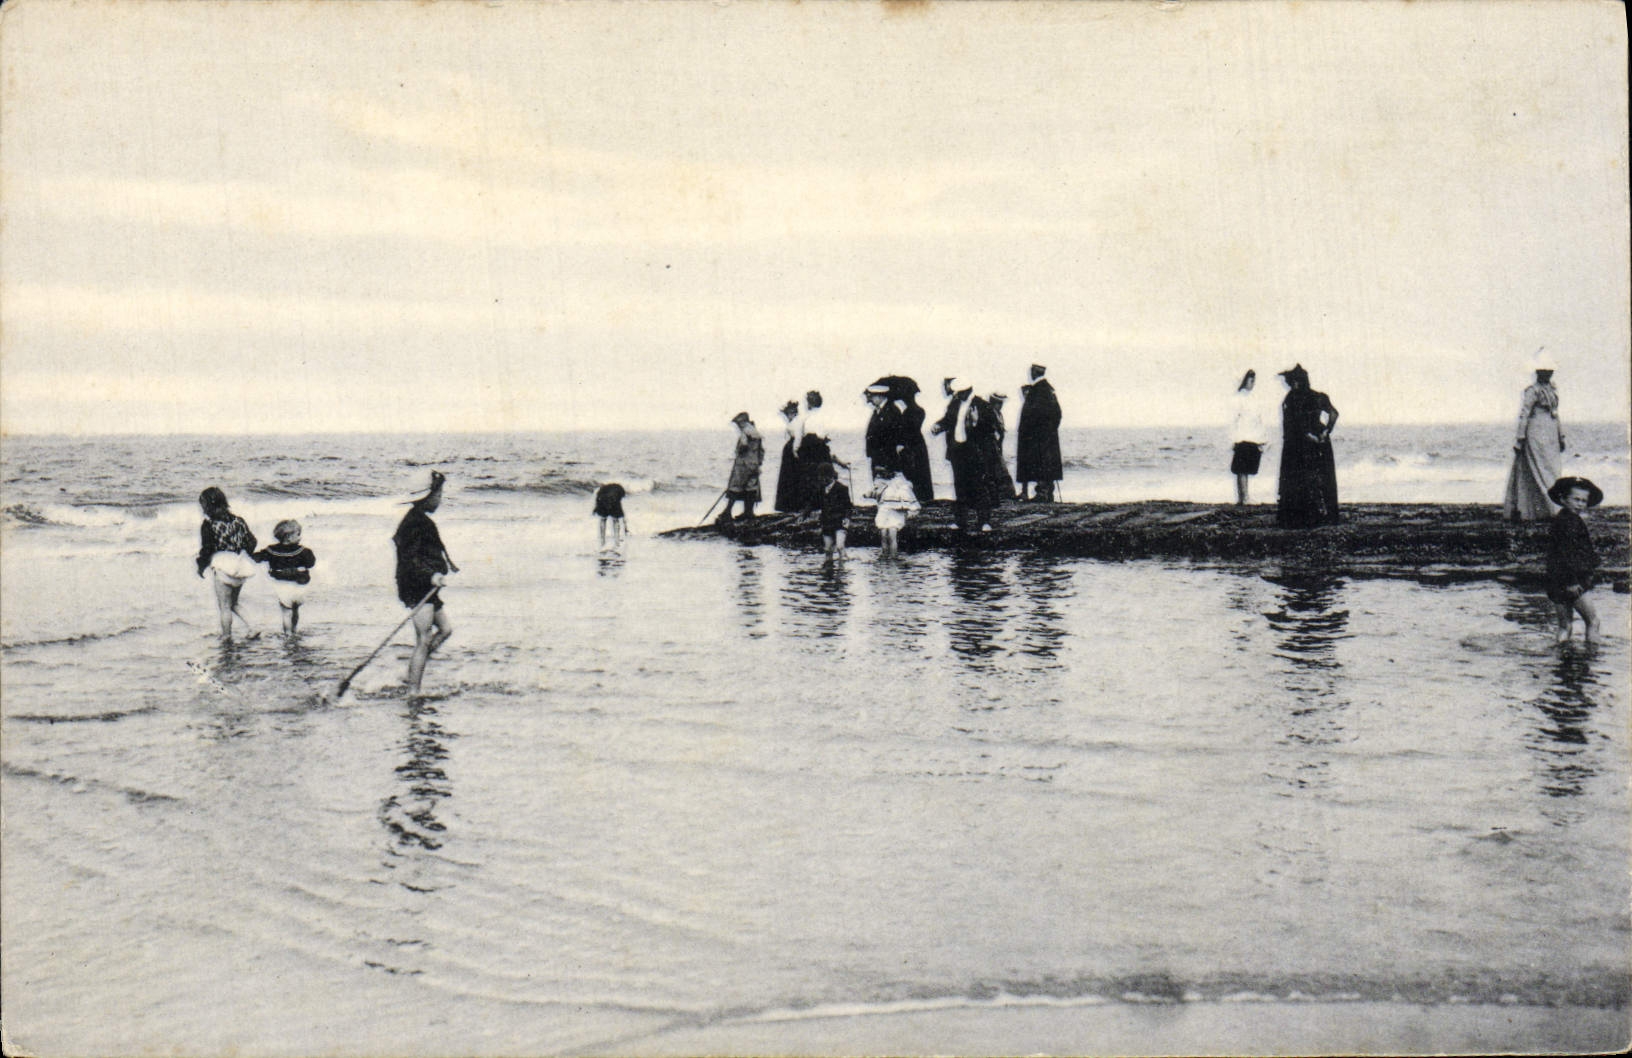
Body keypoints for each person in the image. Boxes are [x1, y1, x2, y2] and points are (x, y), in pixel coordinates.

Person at [393, 471, 458, 695]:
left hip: (426, 584)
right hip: (416, 585)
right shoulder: (414, 523)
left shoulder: (420, 519)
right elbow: (410, 560)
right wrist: (431, 575)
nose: (440, 499)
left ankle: (411, 673)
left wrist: (433, 575)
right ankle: (413, 691)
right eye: (439, 494)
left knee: (446, 630)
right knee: (423, 638)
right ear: (428, 496)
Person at [1275, 364, 1340, 528]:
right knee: (1323, 477)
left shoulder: (1291, 398)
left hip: (1299, 444)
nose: (1291, 385)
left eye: (1292, 382)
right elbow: (1334, 414)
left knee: (1299, 478)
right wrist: (1326, 431)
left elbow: (1293, 425)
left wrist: (1309, 436)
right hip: (1320, 440)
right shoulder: (1319, 396)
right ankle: (1326, 514)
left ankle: (1302, 517)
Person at [932, 377, 1000, 532]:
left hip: (975, 452)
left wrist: (977, 422)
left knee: (979, 486)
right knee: (960, 486)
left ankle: (984, 521)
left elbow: (990, 428)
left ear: (967, 391)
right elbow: (948, 420)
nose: (958, 395)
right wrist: (939, 426)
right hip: (958, 451)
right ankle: (961, 521)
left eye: (960, 392)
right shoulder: (955, 404)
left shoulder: (982, 405)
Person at [1503, 352, 1566, 522]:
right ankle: (1548, 507)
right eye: (1543, 371)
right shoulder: (1532, 391)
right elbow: (1524, 414)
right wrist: (1520, 437)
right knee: (1539, 468)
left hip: (1551, 432)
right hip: (1535, 433)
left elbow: (1556, 415)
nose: (1547, 374)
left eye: (1549, 371)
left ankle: (1550, 506)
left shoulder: (1552, 391)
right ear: (1538, 373)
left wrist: (1561, 437)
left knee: (1552, 468)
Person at [1545, 475, 1602, 645]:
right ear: (1563, 499)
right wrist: (1571, 581)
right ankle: (1591, 657)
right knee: (1593, 621)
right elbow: (1565, 554)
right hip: (1571, 582)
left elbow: (1556, 556)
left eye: (1584, 501)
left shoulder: (1560, 520)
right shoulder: (1570, 523)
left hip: (1556, 581)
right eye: (1576, 499)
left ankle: (1562, 659)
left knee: (1565, 625)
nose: (1580, 504)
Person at [195, 486, 259, 638]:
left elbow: (207, 549)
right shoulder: (239, 521)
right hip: (240, 566)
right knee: (234, 603)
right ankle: (253, 627)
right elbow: (252, 541)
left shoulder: (209, 524)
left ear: (208, 506)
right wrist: (242, 553)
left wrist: (201, 566)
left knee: (224, 606)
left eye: (202, 505)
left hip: (223, 565)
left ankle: (226, 636)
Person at [253, 519, 316, 634]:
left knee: (286, 612)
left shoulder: (272, 550)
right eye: (298, 534)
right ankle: (294, 630)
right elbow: (311, 563)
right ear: (288, 536)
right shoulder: (304, 551)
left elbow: (257, 558)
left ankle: (288, 634)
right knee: (295, 609)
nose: (300, 537)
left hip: (283, 586)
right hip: (300, 587)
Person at [1016, 364, 1063, 502]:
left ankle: (1043, 493)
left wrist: (1035, 432)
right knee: (1047, 463)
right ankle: (1047, 493)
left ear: (1033, 373)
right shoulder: (1048, 389)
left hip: (1037, 436)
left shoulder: (1038, 390)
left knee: (1040, 463)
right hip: (1048, 435)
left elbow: (1034, 414)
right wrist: (1051, 429)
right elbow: (1058, 413)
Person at [887, 376, 935, 504]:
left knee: (914, 471)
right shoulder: (916, 410)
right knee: (920, 471)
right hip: (917, 443)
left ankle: (920, 497)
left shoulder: (911, 411)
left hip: (911, 444)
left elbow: (909, 430)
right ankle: (924, 497)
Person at [1230, 369, 1270, 505]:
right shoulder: (1239, 397)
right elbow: (1234, 419)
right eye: (1251, 380)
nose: (1253, 383)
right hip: (1242, 436)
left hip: (1251, 436)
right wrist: (1234, 438)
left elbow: (1258, 419)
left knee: (1246, 468)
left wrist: (1262, 438)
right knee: (1242, 469)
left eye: (1254, 381)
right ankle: (1244, 497)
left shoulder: (1252, 398)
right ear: (1245, 380)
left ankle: (1244, 497)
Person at [720, 412, 764, 522]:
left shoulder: (745, 431)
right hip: (754, 465)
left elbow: (743, 444)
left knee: (735, 487)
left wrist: (739, 452)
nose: (738, 426)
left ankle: (727, 512)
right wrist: (758, 462)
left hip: (743, 464)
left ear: (743, 422)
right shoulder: (756, 432)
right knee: (751, 487)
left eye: (738, 424)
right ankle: (748, 513)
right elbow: (761, 451)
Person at [868, 466, 920, 558]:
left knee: (892, 534)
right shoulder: (879, 482)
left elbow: (906, 494)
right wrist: (870, 494)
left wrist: (910, 508)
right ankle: (885, 557)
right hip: (884, 509)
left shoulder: (899, 482)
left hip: (895, 511)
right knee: (884, 534)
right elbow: (874, 493)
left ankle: (893, 557)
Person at [796, 390, 833, 511]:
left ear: (810, 403)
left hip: (810, 447)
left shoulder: (807, 417)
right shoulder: (822, 415)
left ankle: (812, 504)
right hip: (819, 446)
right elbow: (825, 434)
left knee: (810, 475)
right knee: (822, 474)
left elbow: (803, 434)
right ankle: (821, 502)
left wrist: (798, 449)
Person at [984, 391, 1017, 503]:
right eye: (998, 403)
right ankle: (1002, 494)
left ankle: (1002, 494)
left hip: (996, 446)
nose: (1000, 405)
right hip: (991, 446)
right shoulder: (989, 413)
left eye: (1001, 403)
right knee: (995, 471)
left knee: (997, 471)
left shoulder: (999, 414)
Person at [863, 383, 898, 483]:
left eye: (872, 397)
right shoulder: (878, 411)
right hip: (877, 459)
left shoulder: (892, 411)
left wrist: (885, 463)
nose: (870, 400)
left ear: (880, 396)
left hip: (886, 461)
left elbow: (891, 438)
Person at [816, 460, 851, 560]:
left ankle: (842, 568)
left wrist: (847, 518)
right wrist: (804, 514)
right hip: (827, 523)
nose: (821, 480)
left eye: (823, 477)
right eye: (820, 477)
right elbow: (813, 503)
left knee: (840, 546)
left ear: (831, 476)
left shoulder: (842, 488)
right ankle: (829, 570)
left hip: (840, 522)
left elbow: (848, 506)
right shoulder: (820, 490)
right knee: (828, 550)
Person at [773, 400, 801, 512]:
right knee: (788, 476)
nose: (787, 416)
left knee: (791, 476)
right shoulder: (794, 422)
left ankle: (790, 504)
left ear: (794, 412)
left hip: (792, 448)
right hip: (790, 449)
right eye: (787, 414)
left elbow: (798, 436)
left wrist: (795, 450)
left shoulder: (795, 423)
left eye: (789, 413)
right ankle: (788, 504)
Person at [593, 483, 627, 548]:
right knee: (615, 520)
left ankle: (602, 542)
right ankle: (617, 543)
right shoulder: (619, 489)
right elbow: (620, 498)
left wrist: (595, 509)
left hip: (602, 500)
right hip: (613, 500)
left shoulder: (602, 490)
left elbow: (597, 500)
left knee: (603, 519)